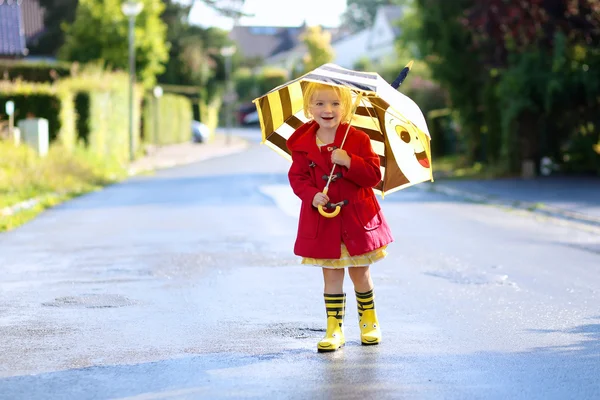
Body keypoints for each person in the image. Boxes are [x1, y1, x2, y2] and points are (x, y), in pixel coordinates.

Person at [286, 82, 394, 352]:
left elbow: (373, 175)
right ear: (309, 107)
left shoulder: (357, 139)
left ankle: (369, 322)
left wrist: (348, 161)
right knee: (331, 276)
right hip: (324, 222)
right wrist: (312, 194)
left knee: (360, 273)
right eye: (320, 103)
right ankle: (334, 329)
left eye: (335, 103)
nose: (328, 109)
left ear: (345, 107)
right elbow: (297, 177)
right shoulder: (303, 144)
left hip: (356, 220)